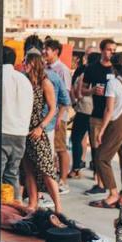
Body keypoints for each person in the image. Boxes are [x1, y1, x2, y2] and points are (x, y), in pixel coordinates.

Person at [90, 53, 122, 209]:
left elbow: (109, 109)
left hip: (117, 124)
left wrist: (102, 130)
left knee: (101, 158)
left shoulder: (113, 83)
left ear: (113, 67)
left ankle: (112, 193)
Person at [21, 52, 63, 213]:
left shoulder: (45, 82)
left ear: (34, 63)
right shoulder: (24, 80)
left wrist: (41, 127)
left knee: (46, 168)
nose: (24, 64)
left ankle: (58, 206)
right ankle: (33, 203)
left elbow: (53, 108)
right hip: (24, 127)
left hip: (37, 128)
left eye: (27, 61)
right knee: (28, 168)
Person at [82, 38, 116, 195]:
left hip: (115, 115)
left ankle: (110, 185)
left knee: (108, 152)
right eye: (109, 50)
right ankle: (99, 183)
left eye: (114, 50)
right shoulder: (92, 69)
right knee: (96, 150)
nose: (111, 53)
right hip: (97, 114)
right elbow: (82, 90)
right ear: (102, 50)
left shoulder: (117, 69)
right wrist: (92, 90)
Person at [1, 46, 33, 196]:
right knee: (12, 174)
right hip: (20, 133)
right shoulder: (24, 80)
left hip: (2, 130)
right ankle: (15, 206)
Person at [42, 39, 72, 192]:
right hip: (49, 117)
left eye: (47, 49)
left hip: (58, 117)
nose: (44, 52)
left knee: (61, 149)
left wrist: (59, 117)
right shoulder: (46, 67)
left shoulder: (62, 70)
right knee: (52, 150)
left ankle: (63, 181)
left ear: (55, 52)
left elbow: (65, 97)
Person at [70, 50, 98, 178]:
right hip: (96, 111)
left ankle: (76, 167)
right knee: (95, 142)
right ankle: (97, 171)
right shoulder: (101, 75)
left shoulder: (84, 74)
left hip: (83, 110)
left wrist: (75, 103)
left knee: (76, 138)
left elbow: (78, 93)